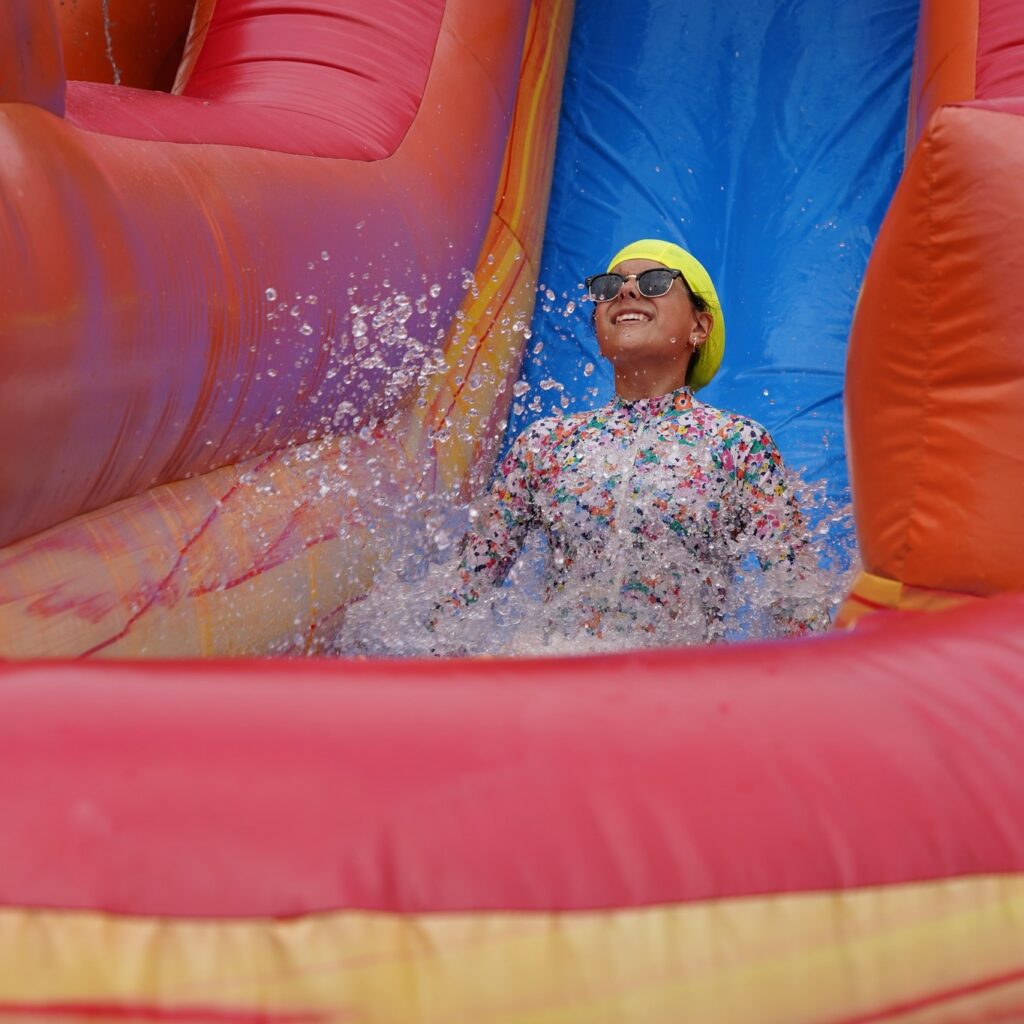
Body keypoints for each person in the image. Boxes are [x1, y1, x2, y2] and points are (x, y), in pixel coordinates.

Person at [430, 239, 826, 647]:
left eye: (654, 281)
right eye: (608, 286)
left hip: (679, 695)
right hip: (559, 689)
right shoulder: (544, 444)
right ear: (599, 332)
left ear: (699, 327)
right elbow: (463, 595)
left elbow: (796, 602)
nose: (626, 291)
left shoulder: (739, 446)